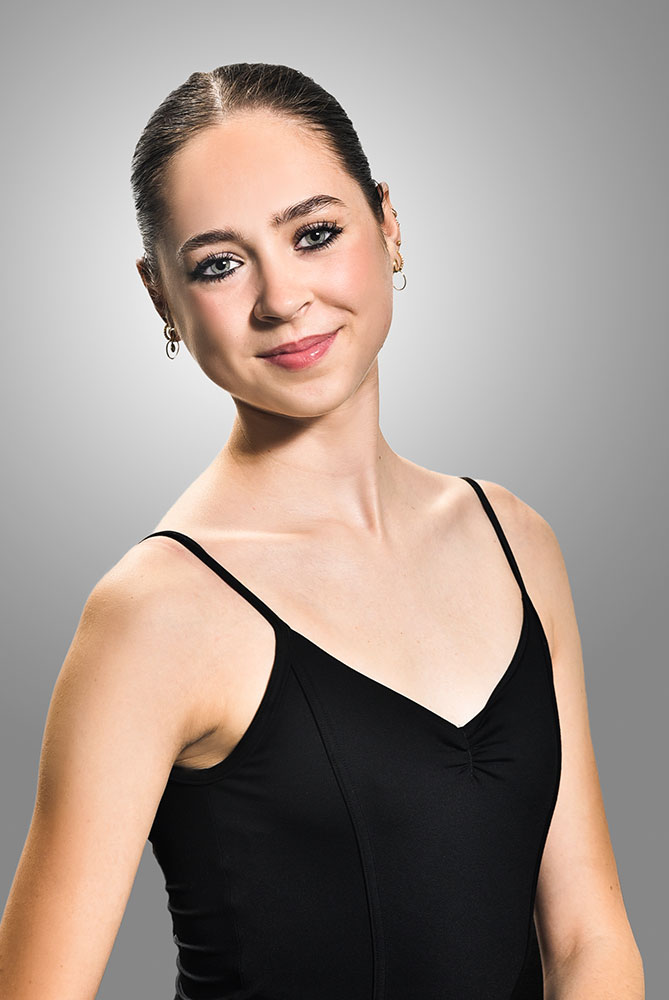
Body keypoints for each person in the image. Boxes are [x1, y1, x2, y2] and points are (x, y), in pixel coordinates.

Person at [0, 62, 644, 1000]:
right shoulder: (154, 614)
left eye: (313, 234)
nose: (281, 298)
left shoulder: (515, 540)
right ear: (160, 296)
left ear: (387, 223)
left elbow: (589, 938)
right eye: (219, 264)